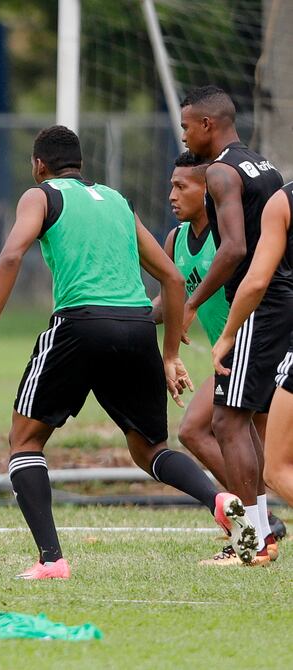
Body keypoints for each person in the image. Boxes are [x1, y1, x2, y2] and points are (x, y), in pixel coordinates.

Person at [0, 125, 247, 580]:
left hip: (80, 323)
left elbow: (10, 256)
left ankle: (52, 559)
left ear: (39, 165)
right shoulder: (117, 201)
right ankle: (219, 500)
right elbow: (171, 278)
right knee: (150, 449)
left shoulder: (41, 196)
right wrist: (169, 355)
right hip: (136, 327)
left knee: (25, 441)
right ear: (81, 164)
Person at [152, 151, 284, 564]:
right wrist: (120, 316)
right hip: (228, 356)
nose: (172, 195)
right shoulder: (175, 240)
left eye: (182, 186)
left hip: (253, 345)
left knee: (212, 430)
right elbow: (167, 303)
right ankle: (260, 524)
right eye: (171, 186)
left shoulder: (228, 239)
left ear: (206, 190)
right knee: (208, 432)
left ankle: (257, 527)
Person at [180, 85, 286, 565]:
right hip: (282, 301)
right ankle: (261, 534)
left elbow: (235, 249)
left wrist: (191, 303)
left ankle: (253, 540)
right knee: (243, 423)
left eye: (187, 126)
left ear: (208, 124)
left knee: (226, 421)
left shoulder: (221, 172)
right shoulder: (264, 166)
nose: (184, 136)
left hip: (259, 306)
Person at [213, 183, 293, 538]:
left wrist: (228, 334)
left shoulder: (284, 201)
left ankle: (257, 539)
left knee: (277, 469)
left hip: (269, 326)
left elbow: (257, 280)